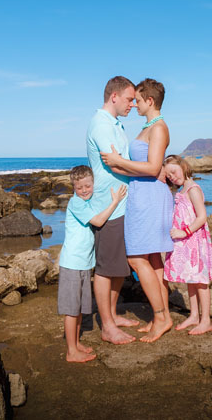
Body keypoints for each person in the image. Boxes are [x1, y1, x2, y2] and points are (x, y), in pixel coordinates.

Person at [100, 78, 174, 343]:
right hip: (143, 194)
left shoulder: (159, 128)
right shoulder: (150, 127)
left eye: (139, 100)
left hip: (150, 198)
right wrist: (116, 167)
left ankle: (162, 316)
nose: (135, 104)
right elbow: (141, 166)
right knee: (153, 260)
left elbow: (154, 168)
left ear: (150, 101)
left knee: (136, 259)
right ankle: (160, 317)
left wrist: (120, 161)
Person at [86, 75, 139, 345]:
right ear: (114, 96)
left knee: (119, 267)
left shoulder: (115, 124)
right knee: (106, 268)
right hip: (109, 206)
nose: (133, 104)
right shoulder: (102, 124)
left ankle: (113, 315)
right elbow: (116, 165)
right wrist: (153, 171)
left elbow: (122, 162)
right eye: (129, 99)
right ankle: (107, 326)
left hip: (122, 204)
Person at [58, 165, 128, 362]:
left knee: (79, 308)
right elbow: (98, 221)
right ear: (73, 188)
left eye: (88, 186)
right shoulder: (76, 203)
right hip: (72, 263)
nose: (84, 190)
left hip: (83, 264)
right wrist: (115, 202)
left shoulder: (86, 203)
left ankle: (76, 343)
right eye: (80, 188)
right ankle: (71, 351)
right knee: (72, 310)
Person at [162, 155, 212, 335]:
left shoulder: (193, 189)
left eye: (174, 171)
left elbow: (202, 217)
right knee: (190, 279)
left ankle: (205, 320)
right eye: (168, 175)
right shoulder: (182, 189)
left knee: (200, 281)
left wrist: (184, 232)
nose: (172, 177)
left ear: (183, 166)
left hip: (194, 241)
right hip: (186, 243)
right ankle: (194, 316)